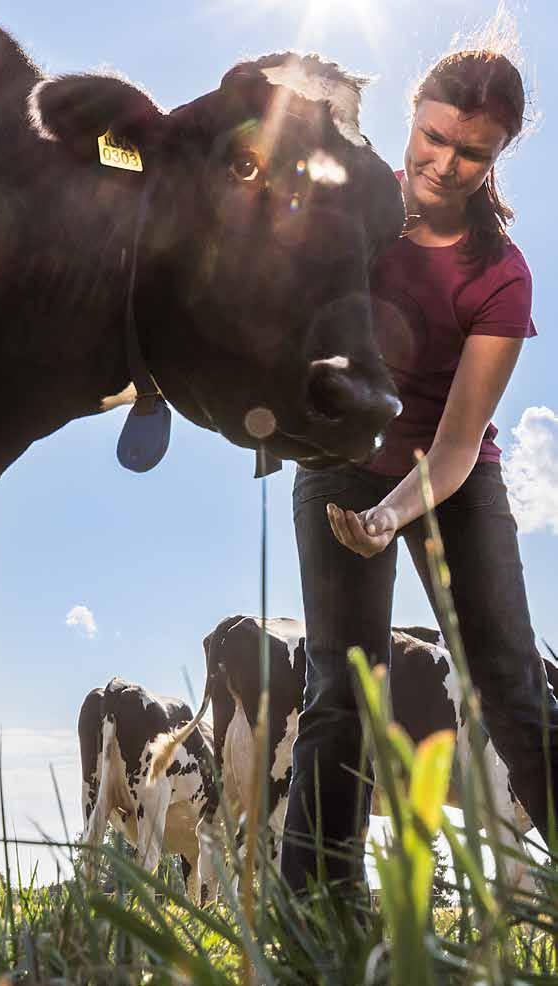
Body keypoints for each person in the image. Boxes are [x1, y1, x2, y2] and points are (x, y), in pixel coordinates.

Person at [280, 46, 557, 893]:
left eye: (473, 152)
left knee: (511, 681)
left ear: (500, 154)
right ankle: (321, 908)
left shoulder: (500, 277)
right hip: (339, 463)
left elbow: (454, 448)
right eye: (433, 137)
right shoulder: (349, 220)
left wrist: (387, 520)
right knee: (343, 687)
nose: (444, 163)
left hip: (452, 482)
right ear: (411, 114)